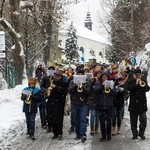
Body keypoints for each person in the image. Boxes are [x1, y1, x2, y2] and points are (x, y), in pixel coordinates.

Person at [68, 68, 91, 143]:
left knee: (82, 119)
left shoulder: (87, 82)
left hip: (83, 103)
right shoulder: (72, 81)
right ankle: (78, 134)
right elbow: (69, 91)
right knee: (76, 120)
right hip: (74, 103)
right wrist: (75, 85)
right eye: (79, 74)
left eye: (81, 74)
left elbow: (88, 92)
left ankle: (83, 135)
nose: (80, 75)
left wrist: (83, 87)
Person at [127, 68, 150, 140]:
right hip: (133, 104)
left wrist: (142, 83)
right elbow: (128, 88)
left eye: (139, 75)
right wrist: (136, 84)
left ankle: (141, 133)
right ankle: (135, 134)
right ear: (134, 75)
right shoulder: (131, 81)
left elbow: (147, 89)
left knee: (143, 120)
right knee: (133, 121)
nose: (138, 76)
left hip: (142, 104)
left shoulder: (143, 80)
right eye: (136, 75)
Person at [46, 68, 68, 140]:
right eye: (55, 75)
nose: (55, 77)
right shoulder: (52, 81)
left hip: (59, 103)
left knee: (58, 119)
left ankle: (59, 133)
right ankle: (55, 133)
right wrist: (48, 91)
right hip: (51, 102)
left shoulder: (64, 83)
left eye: (57, 76)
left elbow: (64, 91)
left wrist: (56, 87)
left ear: (60, 76)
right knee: (51, 118)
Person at [93, 72, 115, 142]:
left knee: (109, 121)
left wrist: (110, 88)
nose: (104, 78)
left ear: (108, 78)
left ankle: (109, 136)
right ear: (101, 78)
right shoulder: (98, 83)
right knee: (102, 122)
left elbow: (114, 94)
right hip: (100, 105)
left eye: (106, 77)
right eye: (103, 77)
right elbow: (95, 92)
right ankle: (103, 136)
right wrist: (102, 86)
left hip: (109, 105)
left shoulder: (111, 83)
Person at [40, 66, 55, 133]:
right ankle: (46, 124)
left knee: (53, 111)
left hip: (54, 96)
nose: (51, 71)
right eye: (50, 70)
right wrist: (45, 90)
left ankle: (52, 124)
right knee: (45, 111)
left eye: (53, 70)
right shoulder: (45, 77)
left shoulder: (55, 77)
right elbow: (41, 86)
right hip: (46, 95)